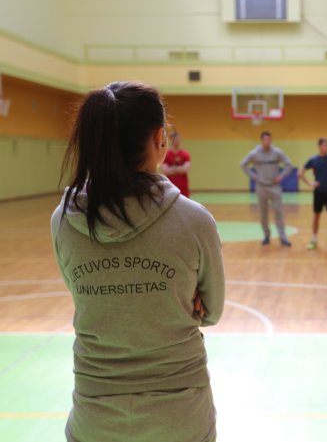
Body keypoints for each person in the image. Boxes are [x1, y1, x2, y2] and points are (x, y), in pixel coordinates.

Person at [51, 81, 225, 442]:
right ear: (161, 137)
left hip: (94, 415)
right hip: (181, 416)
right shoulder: (195, 220)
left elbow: (81, 292)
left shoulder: (63, 219)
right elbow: (212, 310)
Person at [240, 131, 293, 247]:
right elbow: (243, 164)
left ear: (271, 140)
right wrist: (252, 175)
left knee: (279, 212)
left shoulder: (277, 152)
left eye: (269, 140)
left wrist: (281, 176)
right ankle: (266, 235)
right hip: (261, 187)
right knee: (263, 213)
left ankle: (283, 237)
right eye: (265, 140)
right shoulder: (255, 153)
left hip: (275, 187)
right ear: (261, 141)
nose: (267, 142)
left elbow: (289, 164)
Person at [161, 127, 191, 197]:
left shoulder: (185, 154)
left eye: (178, 139)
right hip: (170, 186)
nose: (177, 141)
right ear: (171, 140)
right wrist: (180, 169)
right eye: (175, 139)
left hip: (183, 187)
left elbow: (185, 169)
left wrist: (172, 169)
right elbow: (166, 171)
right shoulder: (166, 154)